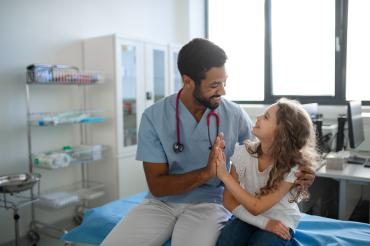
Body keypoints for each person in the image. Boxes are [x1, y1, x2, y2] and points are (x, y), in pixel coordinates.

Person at [101, 38, 315, 246]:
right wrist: (208, 171)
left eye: (224, 82)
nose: (223, 91)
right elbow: (157, 186)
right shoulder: (154, 117)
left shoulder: (234, 114)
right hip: (161, 203)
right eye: (214, 85)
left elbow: (264, 156)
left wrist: (298, 170)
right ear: (187, 81)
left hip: (210, 203)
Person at [214, 98, 320, 246]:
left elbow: (257, 207)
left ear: (281, 133)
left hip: (279, 220)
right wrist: (264, 223)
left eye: (266, 117)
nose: (258, 117)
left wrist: (223, 175)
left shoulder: (292, 166)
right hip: (248, 215)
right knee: (227, 242)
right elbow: (228, 200)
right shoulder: (243, 153)